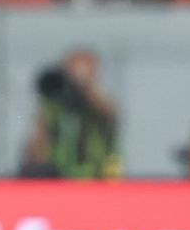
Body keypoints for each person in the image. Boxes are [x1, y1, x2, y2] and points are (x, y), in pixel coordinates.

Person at [20, 50, 120, 179]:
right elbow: (35, 151)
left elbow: (110, 114)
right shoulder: (54, 107)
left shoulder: (99, 105)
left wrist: (84, 89)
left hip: (97, 179)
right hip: (59, 179)